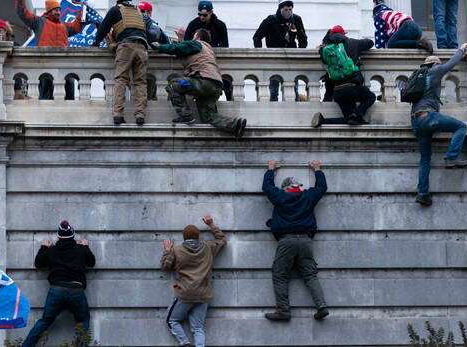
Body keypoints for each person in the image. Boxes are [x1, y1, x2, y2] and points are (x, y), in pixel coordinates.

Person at [263, 159, 328, 322]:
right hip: (306, 240)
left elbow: (267, 188)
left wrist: (270, 170)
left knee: (279, 275)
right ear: (298, 187)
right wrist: (317, 169)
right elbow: (322, 187)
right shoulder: (307, 196)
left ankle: (284, 311)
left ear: (285, 188)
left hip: (286, 240)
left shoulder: (280, 196)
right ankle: (322, 307)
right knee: (310, 275)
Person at [152, 28, 247, 138]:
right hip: (215, 86)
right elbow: (184, 52)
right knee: (208, 116)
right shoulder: (208, 49)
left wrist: (160, 47)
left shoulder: (196, 43)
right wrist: (181, 40)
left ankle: (186, 115)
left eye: (194, 36)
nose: (192, 38)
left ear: (198, 37)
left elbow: (177, 48)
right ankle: (236, 125)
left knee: (175, 84)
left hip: (202, 82)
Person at [410, 44, 467, 207]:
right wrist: (461, 50)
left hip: (415, 121)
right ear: (435, 64)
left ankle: (423, 193)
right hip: (428, 116)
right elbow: (451, 64)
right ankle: (451, 157)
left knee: (425, 158)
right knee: (461, 127)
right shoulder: (435, 72)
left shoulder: (418, 76)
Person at [22, 220, 96, 347]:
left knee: (45, 321)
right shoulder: (81, 250)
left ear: (59, 237)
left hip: (57, 290)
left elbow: (38, 263)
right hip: (76, 291)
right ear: (72, 236)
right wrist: (86, 247)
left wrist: (44, 247)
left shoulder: (51, 251)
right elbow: (91, 262)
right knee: (83, 321)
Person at [161, 214, 226, 347]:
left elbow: (166, 266)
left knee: (172, 320)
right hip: (203, 294)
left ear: (184, 237)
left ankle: (185, 344)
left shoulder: (177, 250)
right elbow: (222, 240)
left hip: (185, 294)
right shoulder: (208, 247)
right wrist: (211, 224)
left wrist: (167, 251)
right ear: (198, 237)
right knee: (198, 328)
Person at [15, 0, 82, 100]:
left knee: (69, 84)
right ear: (49, 11)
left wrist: (82, 8)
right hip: (45, 64)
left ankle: (69, 113)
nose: (58, 12)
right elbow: (23, 13)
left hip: (63, 65)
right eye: (55, 9)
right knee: (46, 90)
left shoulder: (64, 26)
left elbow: (77, 26)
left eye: (59, 10)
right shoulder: (38, 21)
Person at [93, 0, 149, 125]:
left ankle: (118, 115)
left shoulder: (115, 10)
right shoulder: (139, 12)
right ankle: (140, 115)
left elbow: (104, 28)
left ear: (118, 1)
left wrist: (95, 42)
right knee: (140, 82)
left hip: (126, 46)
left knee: (121, 79)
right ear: (129, 0)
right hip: (142, 47)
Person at [312, 26, 376, 126]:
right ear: (343, 34)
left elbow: (323, 58)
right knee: (371, 97)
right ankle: (358, 114)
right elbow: (370, 43)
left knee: (349, 119)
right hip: (353, 87)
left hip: (338, 91)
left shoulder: (326, 50)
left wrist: (321, 47)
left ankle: (323, 121)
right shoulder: (353, 43)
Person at [253, 0, 308, 101]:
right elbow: (257, 37)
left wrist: (300, 51)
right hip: (274, 59)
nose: (288, 12)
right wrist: (260, 53)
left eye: (290, 9)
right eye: (285, 9)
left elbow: (303, 38)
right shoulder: (271, 20)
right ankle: (273, 113)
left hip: (291, 58)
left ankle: (295, 111)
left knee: (293, 89)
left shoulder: (296, 19)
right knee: (273, 90)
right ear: (280, 9)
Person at [178, 0, 233, 100]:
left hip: (213, 58)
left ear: (211, 13)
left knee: (225, 82)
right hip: (198, 60)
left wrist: (208, 48)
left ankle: (229, 99)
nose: (202, 17)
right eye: (199, 14)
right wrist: (181, 39)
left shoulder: (220, 25)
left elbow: (225, 45)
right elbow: (186, 44)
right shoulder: (193, 24)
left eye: (205, 15)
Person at [138, 1, 170, 100]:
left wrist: (142, 28)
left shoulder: (152, 25)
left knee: (150, 96)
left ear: (149, 13)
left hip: (153, 65)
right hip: (141, 62)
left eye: (142, 11)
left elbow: (154, 36)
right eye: (138, 10)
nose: (139, 13)